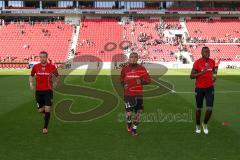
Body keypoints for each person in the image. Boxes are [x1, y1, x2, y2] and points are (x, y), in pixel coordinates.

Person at [120, 52, 151, 136]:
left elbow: (148, 80)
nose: (133, 58)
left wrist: (141, 81)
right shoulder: (125, 68)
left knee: (139, 113)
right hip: (128, 94)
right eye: (131, 57)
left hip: (138, 95)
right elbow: (121, 79)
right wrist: (124, 85)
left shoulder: (142, 68)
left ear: (137, 59)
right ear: (129, 58)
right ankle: (129, 123)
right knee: (129, 113)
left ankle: (134, 129)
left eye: (135, 57)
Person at [29, 51, 59, 134]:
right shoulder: (35, 67)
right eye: (41, 57)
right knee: (40, 110)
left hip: (48, 91)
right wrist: (31, 83)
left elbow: (57, 76)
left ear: (46, 57)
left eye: (44, 57)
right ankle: (44, 113)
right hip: (38, 91)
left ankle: (45, 127)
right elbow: (31, 75)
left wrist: (56, 82)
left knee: (47, 109)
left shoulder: (52, 67)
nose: (42, 58)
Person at [190, 47, 218, 134]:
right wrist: (201, 73)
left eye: (208, 52)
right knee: (199, 108)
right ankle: (198, 125)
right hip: (199, 88)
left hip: (210, 88)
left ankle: (205, 123)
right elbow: (191, 76)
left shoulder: (212, 62)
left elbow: (215, 72)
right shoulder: (197, 62)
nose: (208, 53)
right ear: (201, 53)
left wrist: (214, 77)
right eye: (205, 52)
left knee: (210, 108)